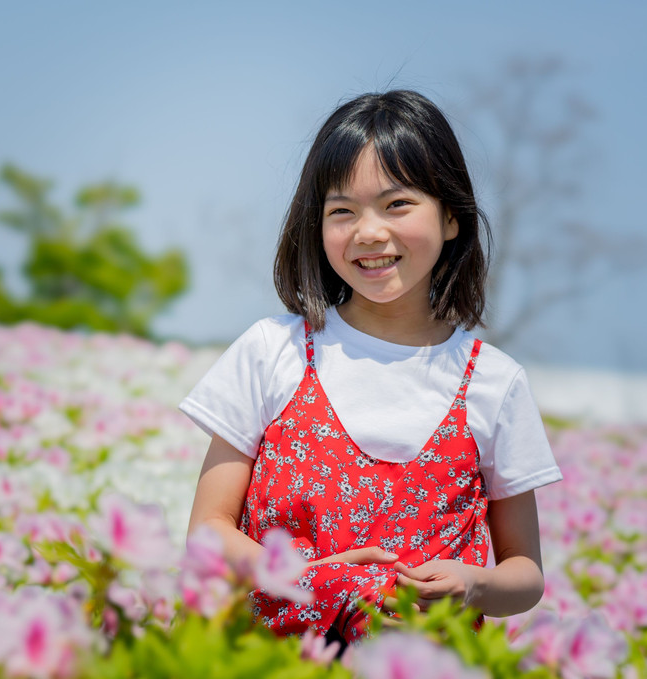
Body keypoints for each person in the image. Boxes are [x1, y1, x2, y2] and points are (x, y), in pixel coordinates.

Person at [180, 90, 562, 647]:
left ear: (451, 217)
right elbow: (207, 534)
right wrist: (307, 577)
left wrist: (474, 585)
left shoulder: (493, 383)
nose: (368, 232)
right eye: (342, 211)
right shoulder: (273, 351)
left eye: (397, 204)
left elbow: (524, 573)